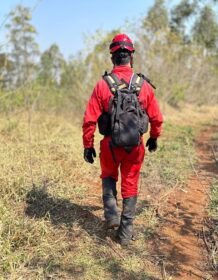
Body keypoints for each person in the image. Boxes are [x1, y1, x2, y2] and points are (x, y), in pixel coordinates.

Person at [82, 34, 163, 246]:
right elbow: (157, 118)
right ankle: (125, 233)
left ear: (113, 58)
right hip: (135, 147)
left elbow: (89, 119)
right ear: (131, 57)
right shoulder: (143, 85)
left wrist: (87, 145)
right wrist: (153, 138)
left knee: (108, 175)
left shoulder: (103, 85)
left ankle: (111, 215)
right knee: (130, 182)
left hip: (109, 145)